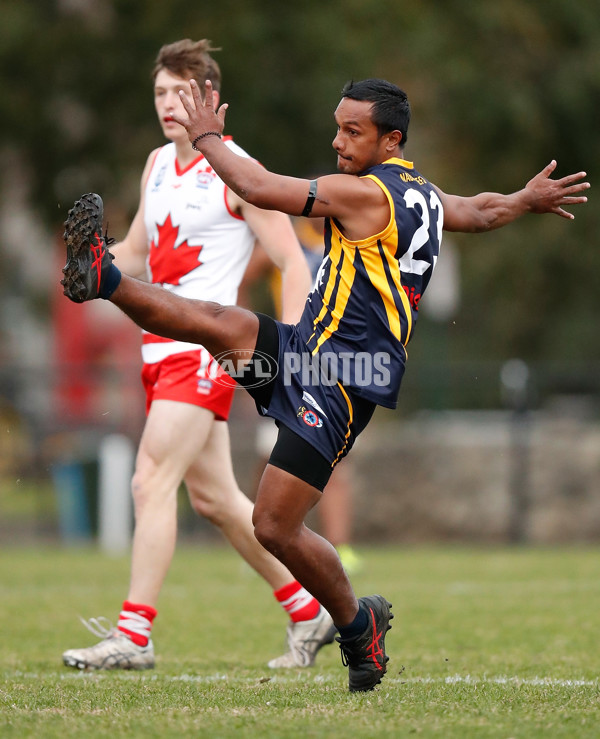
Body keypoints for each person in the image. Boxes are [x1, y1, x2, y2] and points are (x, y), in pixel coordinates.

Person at [60, 77, 589, 691]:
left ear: (391, 140)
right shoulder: (420, 192)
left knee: (273, 525)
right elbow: (478, 210)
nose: (338, 141)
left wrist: (206, 137)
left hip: (340, 380)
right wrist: (524, 200)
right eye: (337, 126)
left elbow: (260, 189)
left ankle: (357, 622)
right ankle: (103, 276)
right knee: (216, 322)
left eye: (353, 131)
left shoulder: (362, 195)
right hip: (304, 352)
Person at [61, 39, 339, 674]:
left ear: (207, 97)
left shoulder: (235, 168)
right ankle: (308, 611)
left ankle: (134, 635)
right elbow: (136, 251)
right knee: (216, 501)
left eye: (180, 92)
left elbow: (293, 261)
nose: (168, 103)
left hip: (207, 349)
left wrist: (293, 352)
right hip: (158, 347)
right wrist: (92, 263)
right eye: (160, 92)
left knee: (148, 478)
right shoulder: (157, 164)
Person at [239, 224, 362, 575]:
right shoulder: (286, 242)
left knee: (336, 460)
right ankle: (255, 540)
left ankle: (341, 547)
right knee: (268, 458)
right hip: (289, 360)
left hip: (330, 361)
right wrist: (248, 336)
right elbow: (239, 279)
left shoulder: (348, 241)